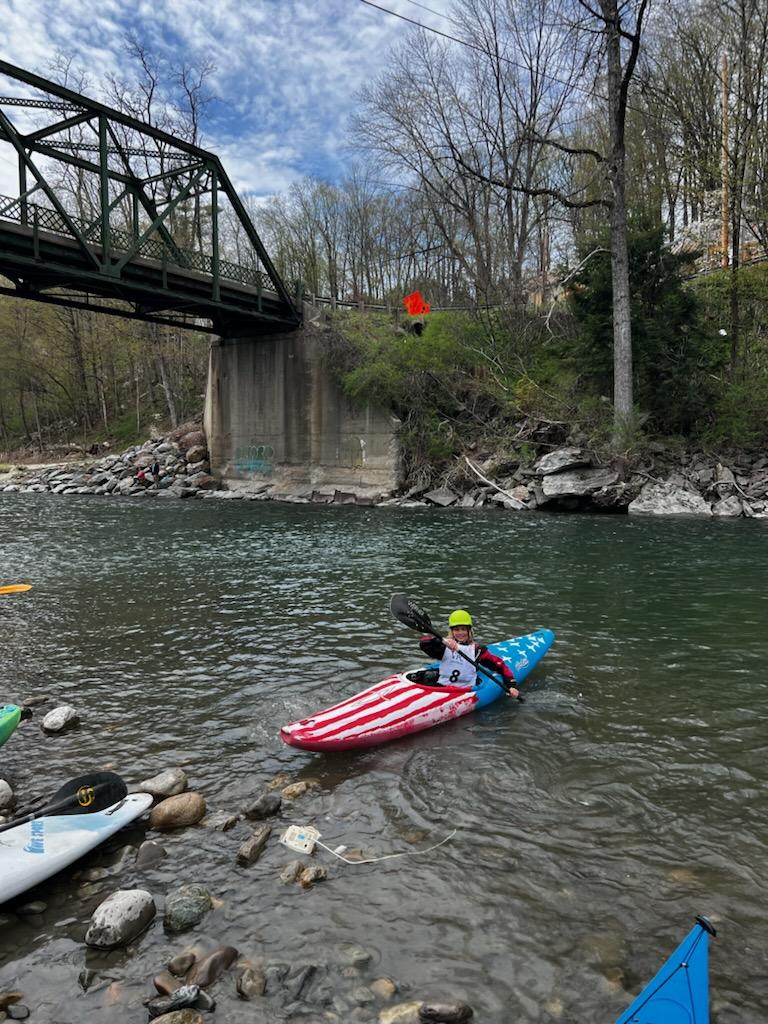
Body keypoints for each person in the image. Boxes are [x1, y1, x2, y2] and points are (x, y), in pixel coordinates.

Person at [419, 609, 520, 697]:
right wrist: (440, 641)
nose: (460, 633)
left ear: (469, 631)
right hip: (442, 688)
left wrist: (511, 686)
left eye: (463, 629)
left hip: (464, 691)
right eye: (456, 630)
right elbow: (424, 643)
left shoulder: (477, 650)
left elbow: (499, 665)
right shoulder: (443, 646)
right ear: (452, 631)